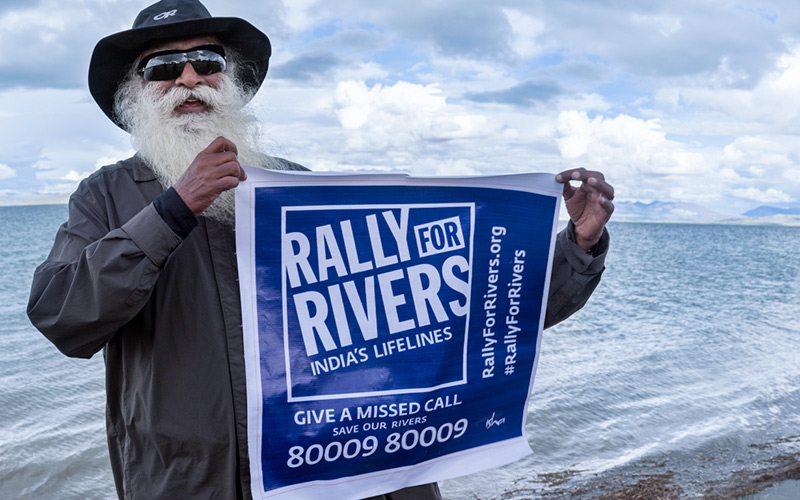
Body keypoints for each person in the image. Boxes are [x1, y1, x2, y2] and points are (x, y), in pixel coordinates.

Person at [26, 1, 615, 499]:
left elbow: (461, 312)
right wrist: (173, 209)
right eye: (164, 68)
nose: (188, 80)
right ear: (137, 93)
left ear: (229, 79)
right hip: (184, 482)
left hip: (324, 477)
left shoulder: (300, 189)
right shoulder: (106, 195)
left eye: (206, 62)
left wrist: (577, 246)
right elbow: (64, 317)